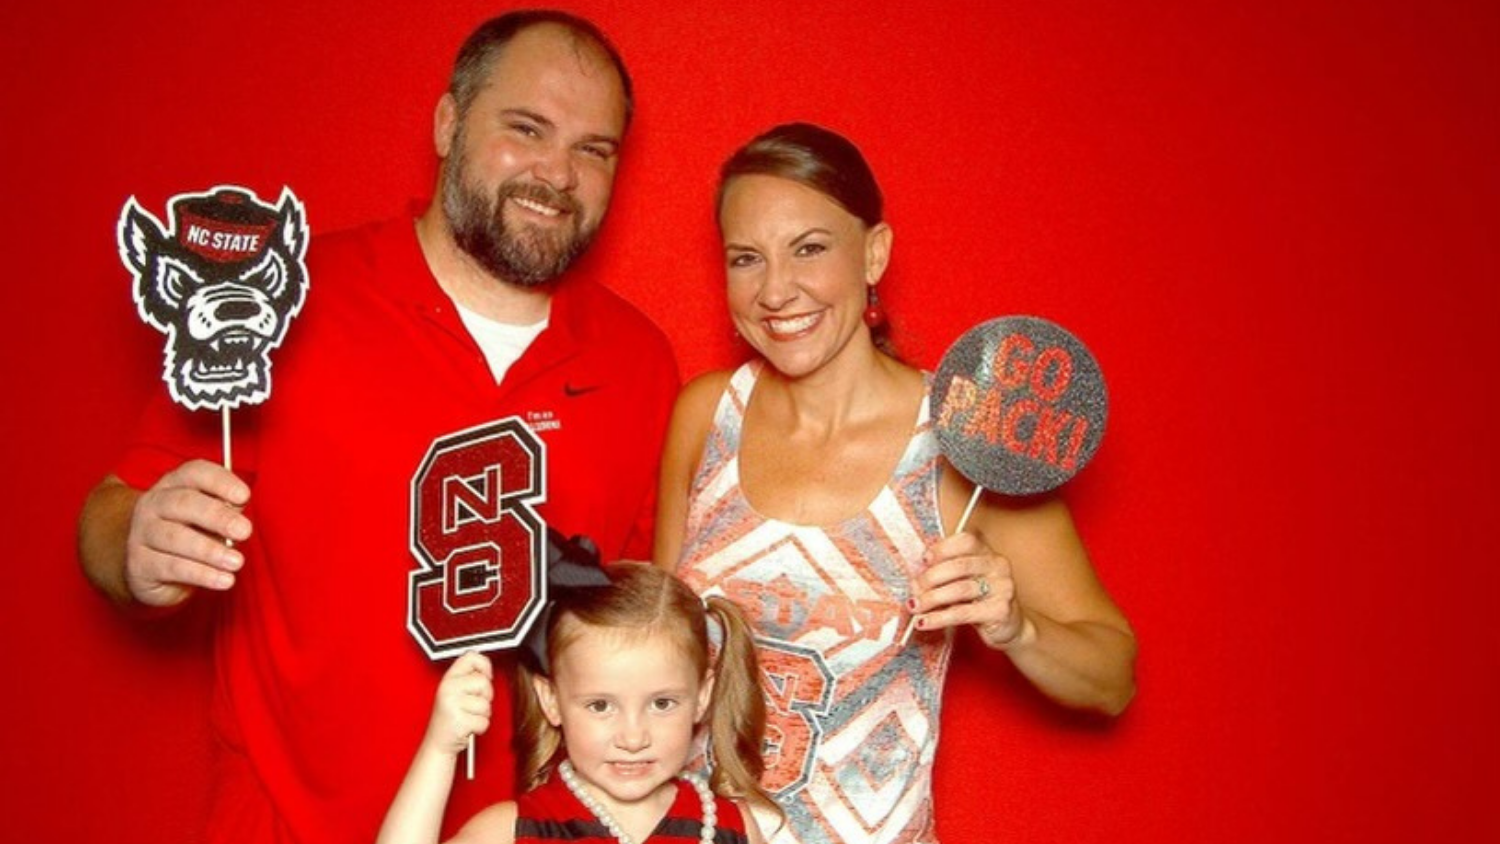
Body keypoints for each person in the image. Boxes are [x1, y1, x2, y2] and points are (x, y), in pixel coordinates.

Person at [76, 11, 678, 844]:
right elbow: (113, 512)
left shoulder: (639, 361)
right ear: (447, 122)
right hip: (286, 820)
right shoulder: (284, 302)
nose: (558, 173)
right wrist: (136, 546)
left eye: (594, 150)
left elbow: (640, 628)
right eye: (526, 128)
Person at [655, 123, 1137, 844]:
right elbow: (653, 653)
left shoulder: (961, 439)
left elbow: (1113, 679)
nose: (776, 290)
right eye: (746, 259)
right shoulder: (707, 415)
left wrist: (1016, 627)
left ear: (873, 253)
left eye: (810, 249)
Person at [377, 562, 773, 844]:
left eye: (662, 703)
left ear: (702, 696)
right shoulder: (519, 830)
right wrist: (440, 749)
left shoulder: (731, 828)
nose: (633, 737)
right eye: (601, 706)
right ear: (551, 699)